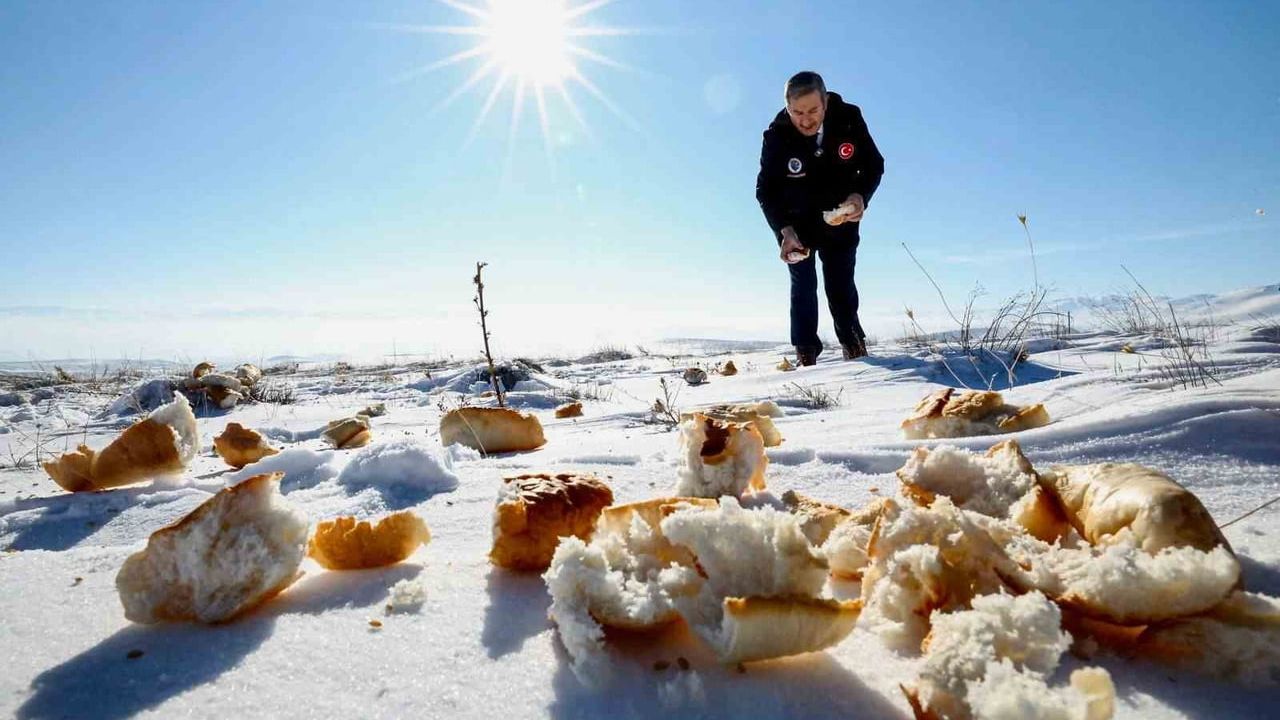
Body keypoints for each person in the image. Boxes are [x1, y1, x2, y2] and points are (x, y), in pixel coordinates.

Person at [755, 71, 884, 365]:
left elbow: (874, 164)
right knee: (802, 286)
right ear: (787, 108)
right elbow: (766, 190)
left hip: (842, 217)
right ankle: (806, 356)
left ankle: (854, 346)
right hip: (798, 224)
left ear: (825, 101)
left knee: (841, 283)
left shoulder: (849, 118)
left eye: (813, 110)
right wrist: (784, 231)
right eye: (797, 112)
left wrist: (860, 196)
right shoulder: (776, 136)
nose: (806, 119)